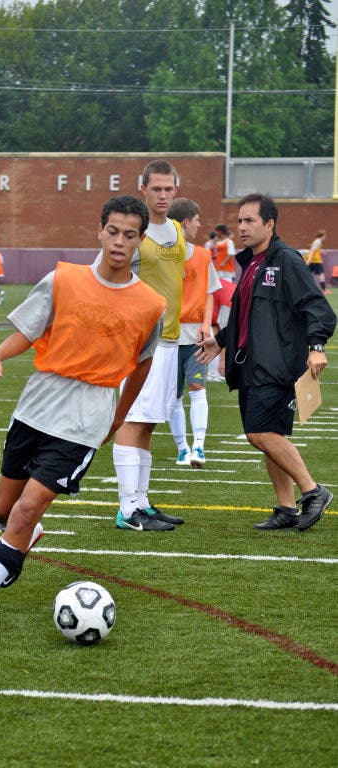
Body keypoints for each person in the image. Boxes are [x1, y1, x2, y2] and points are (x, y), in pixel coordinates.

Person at [0, 195, 166, 635]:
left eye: (130, 235)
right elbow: (29, 329)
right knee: (5, 511)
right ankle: (22, 542)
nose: (120, 242)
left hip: (86, 418)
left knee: (25, 511)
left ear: (140, 241)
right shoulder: (63, 279)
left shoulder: (150, 304)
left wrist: (116, 420)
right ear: (100, 231)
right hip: (37, 403)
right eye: (113, 231)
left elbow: (142, 364)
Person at [196, 194, 336, 531]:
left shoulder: (286, 260)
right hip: (251, 364)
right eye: (239, 221)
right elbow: (246, 317)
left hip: (277, 365)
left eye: (250, 221)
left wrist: (316, 346)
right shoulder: (251, 263)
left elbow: (319, 309)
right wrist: (221, 340)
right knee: (267, 434)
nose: (242, 227)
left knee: (259, 433)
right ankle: (286, 509)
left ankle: (314, 491)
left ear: (269, 224)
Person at [97, 160, 187, 531]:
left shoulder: (177, 229)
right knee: (132, 421)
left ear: (175, 191)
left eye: (168, 189)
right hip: (142, 341)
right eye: (156, 189)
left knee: (147, 423)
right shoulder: (136, 233)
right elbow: (104, 274)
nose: (163, 195)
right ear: (143, 189)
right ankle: (126, 509)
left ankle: (142, 502)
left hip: (170, 339)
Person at [167, 199, 221, 468]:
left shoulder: (202, 255)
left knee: (197, 387)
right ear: (185, 222)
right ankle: (182, 448)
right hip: (167, 338)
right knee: (174, 395)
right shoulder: (162, 255)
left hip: (195, 335)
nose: (200, 225)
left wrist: (206, 323)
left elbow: (211, 291)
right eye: (197, 220)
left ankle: (198, 447)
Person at [304, 229, 330, 294]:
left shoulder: (317, 242)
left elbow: (315, 250)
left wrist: (321, 252)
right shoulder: (317, 241)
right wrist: (309, 260)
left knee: (308, 274)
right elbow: (312, 250)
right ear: (323, 236)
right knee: (321, 275)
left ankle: (318, 289)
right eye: (325, 236)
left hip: (314, 260)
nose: (325, 237)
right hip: (316, 261)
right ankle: (324, 290)